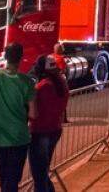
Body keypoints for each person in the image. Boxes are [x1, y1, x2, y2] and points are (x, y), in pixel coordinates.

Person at [0, 43, 36, 192]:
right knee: (12, 179)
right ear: (21, 58)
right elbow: (33, 113)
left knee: (3, 178)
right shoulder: (26, 81)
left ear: (5, 57)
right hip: (18, 137)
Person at [28, 55, 69, 192]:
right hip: (54, 130)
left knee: (39, 175)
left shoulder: (42, 87)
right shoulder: (62, 84)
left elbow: (33, 112)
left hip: (40, 132)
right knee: (43, 172)